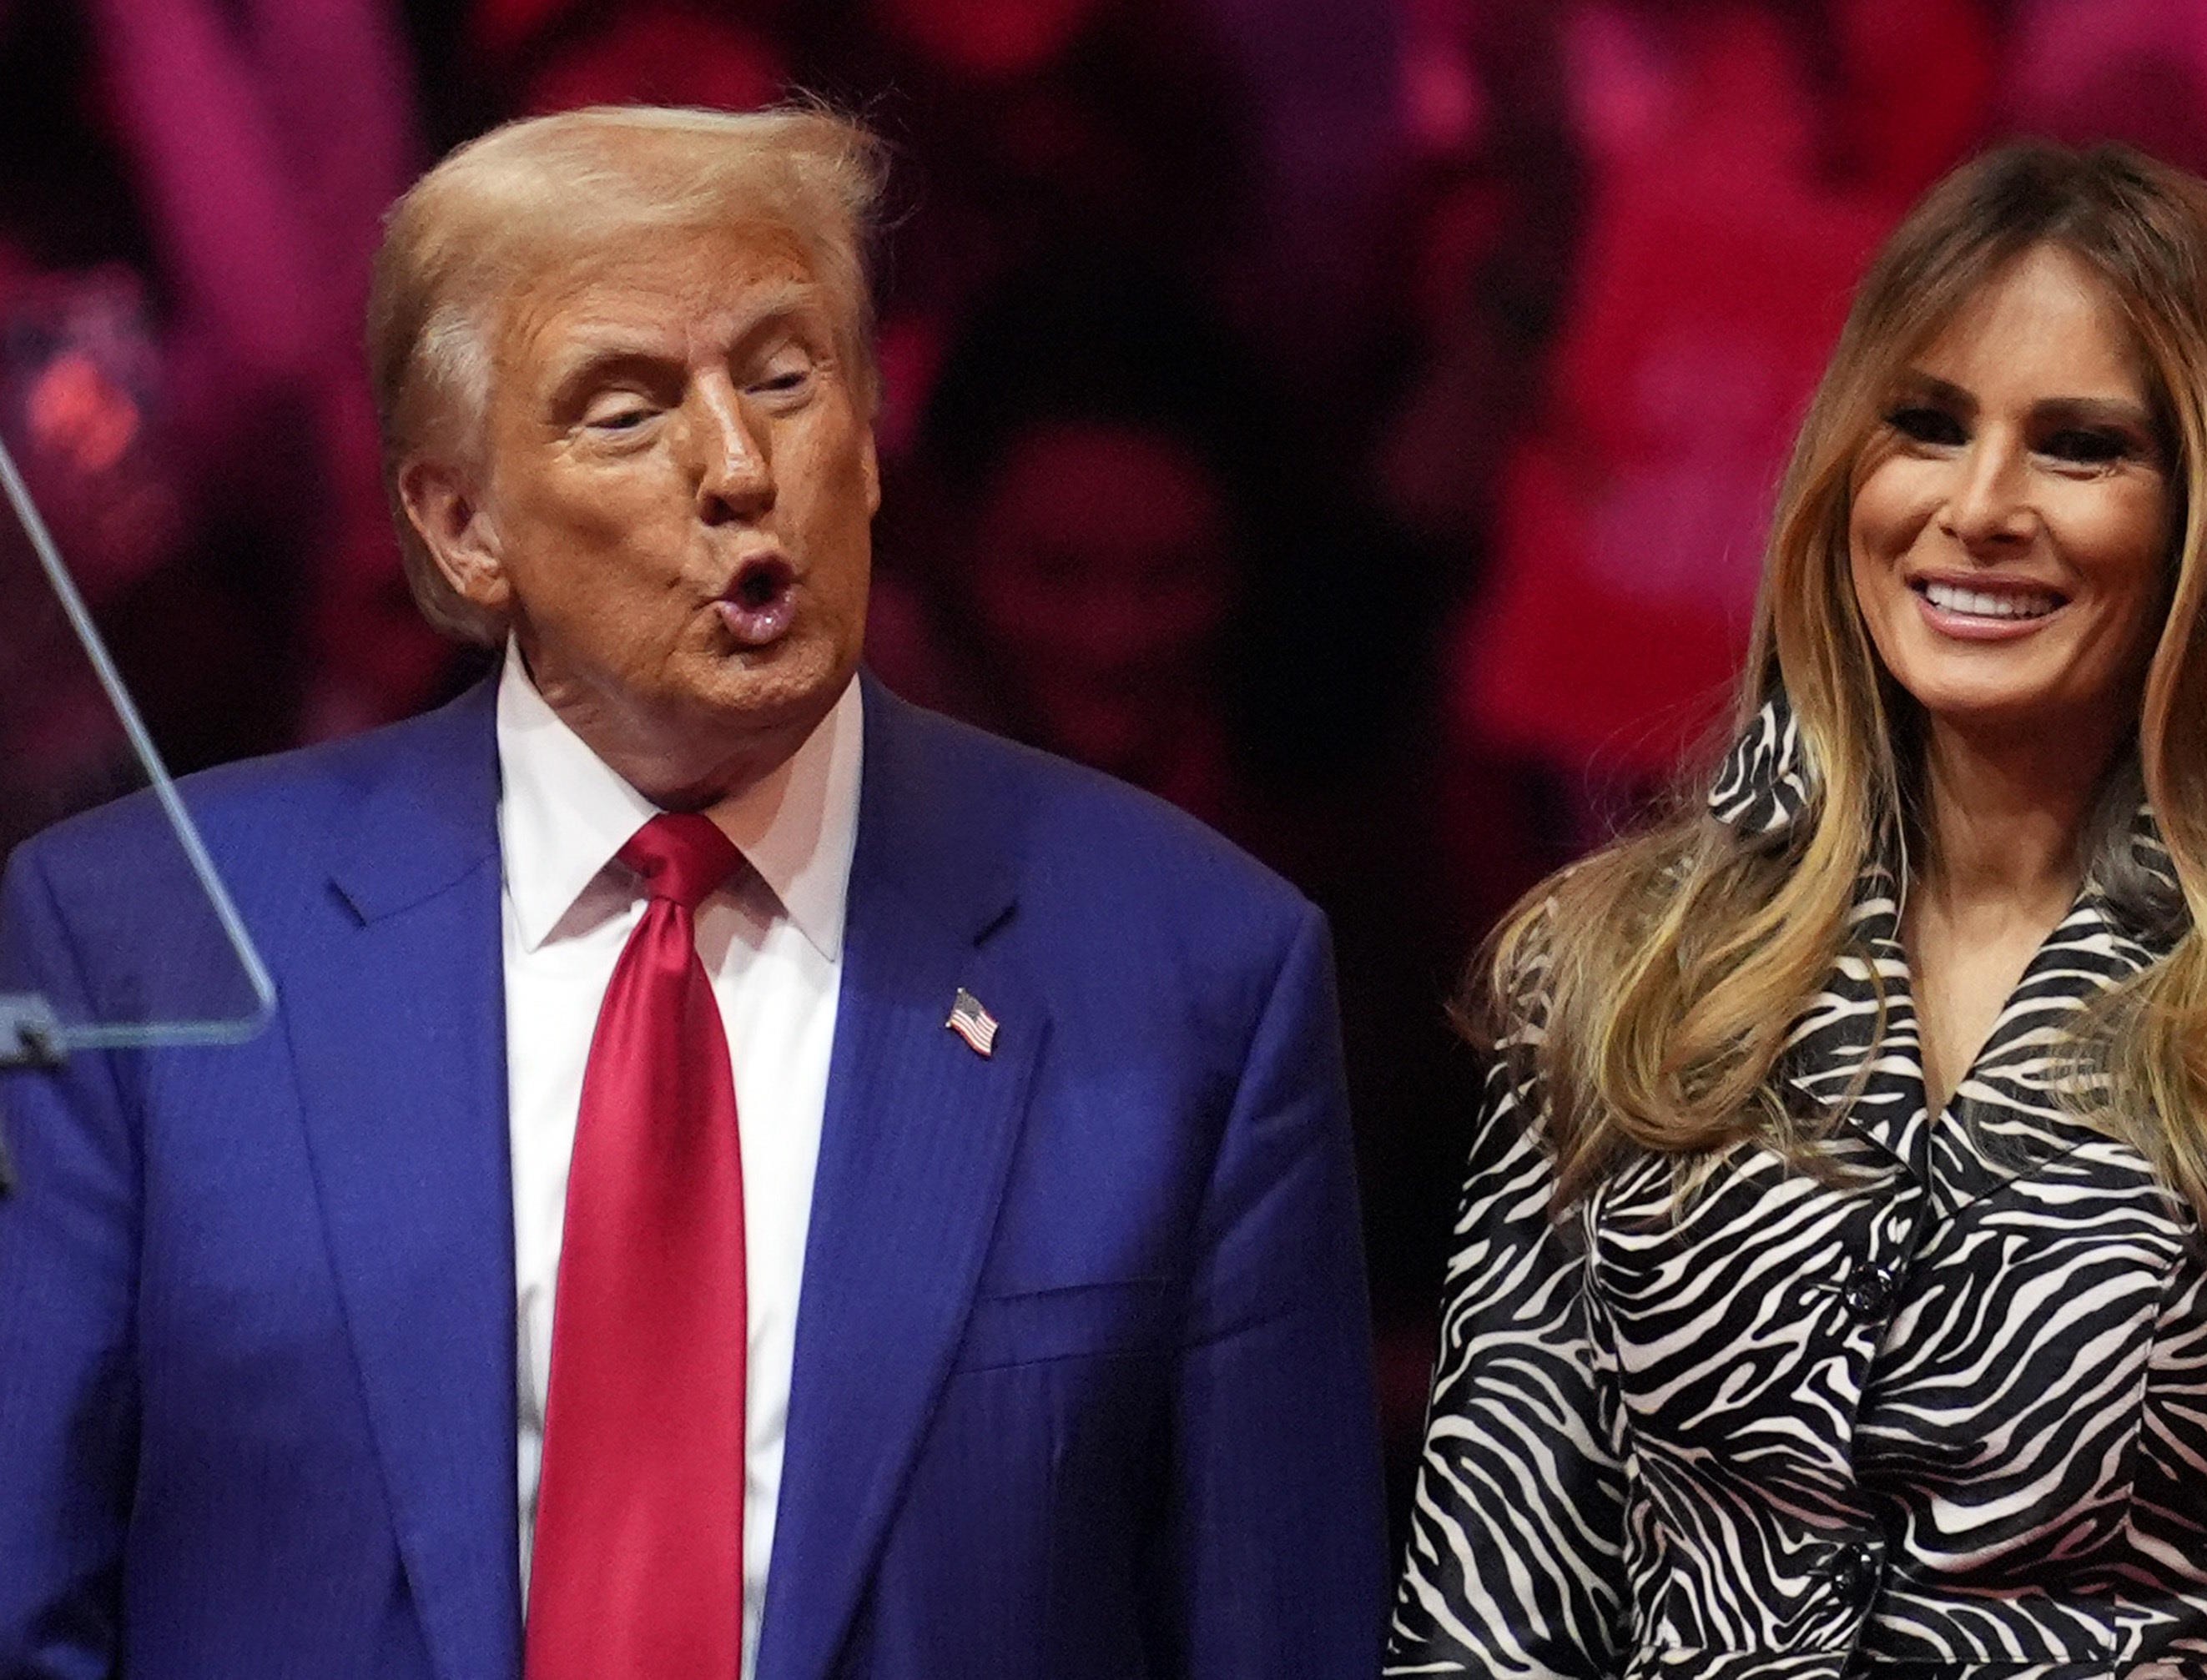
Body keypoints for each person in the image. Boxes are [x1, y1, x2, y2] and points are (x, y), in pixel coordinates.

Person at [0, 104, 1384, 1680]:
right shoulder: (147, 947)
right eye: (625, 408)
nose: (740, 466)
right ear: (462, 528)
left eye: (787, 381)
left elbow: (1273, 1638)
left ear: (867, 448)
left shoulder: (1199, 969)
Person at [1387, 141, 2207, 1678]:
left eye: (2079, 446)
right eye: (1925, 424)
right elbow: (1490, 1598)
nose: (1978, 506)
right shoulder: (1610, 968)